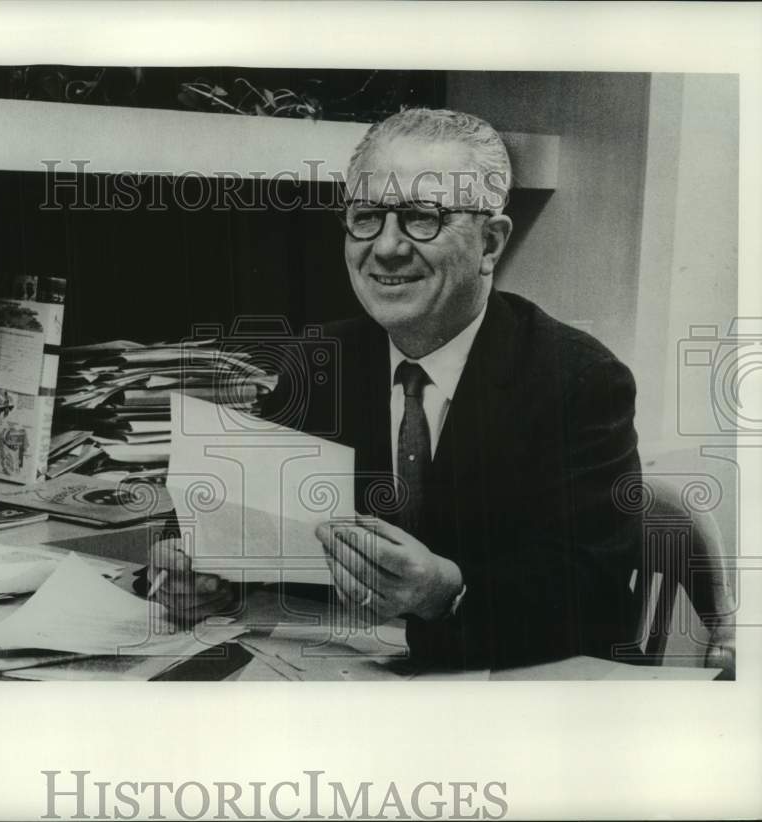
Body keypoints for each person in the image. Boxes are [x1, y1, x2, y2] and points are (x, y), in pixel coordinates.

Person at [150, 107, 642, 671]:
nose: (385, 248)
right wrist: (193, 573)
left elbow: (596, 594)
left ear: (490, 243)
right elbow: (219, 515)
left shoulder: (578, 380)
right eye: (367, 216)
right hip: (335, 683)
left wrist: (447, 592)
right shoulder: (317, 364)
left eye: (421, 217)